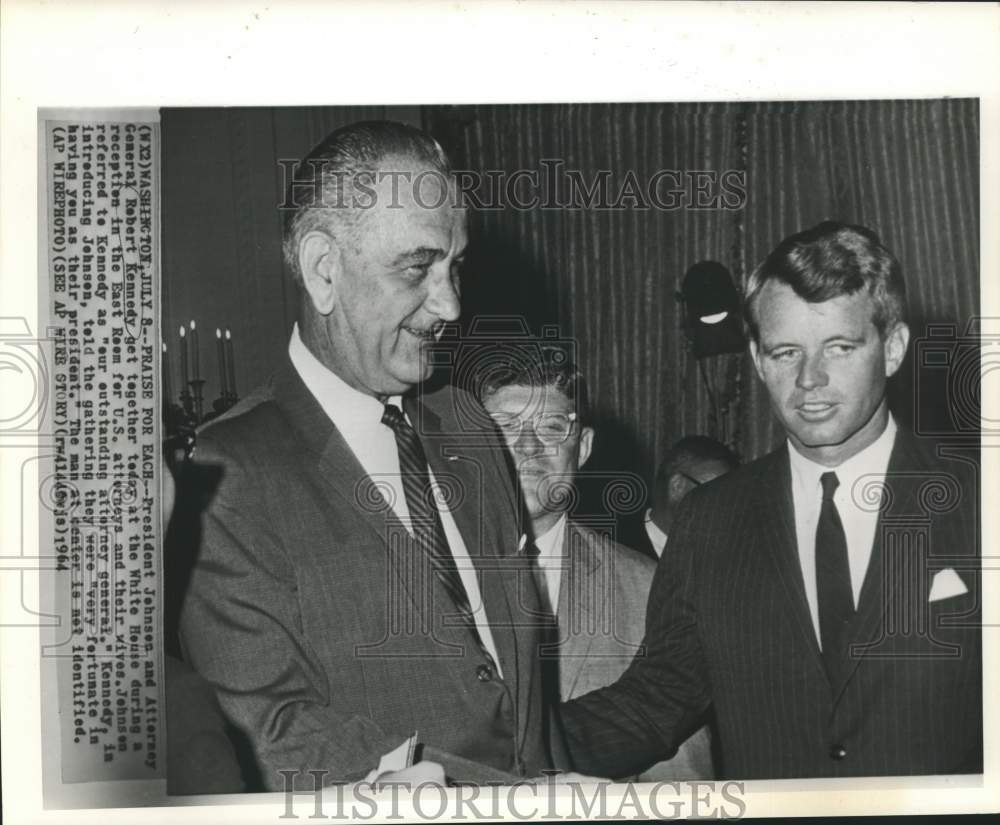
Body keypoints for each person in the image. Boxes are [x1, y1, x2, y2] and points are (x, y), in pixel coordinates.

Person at [177, 121, 550, 790]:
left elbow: (518, 696)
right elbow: (278, 734)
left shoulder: (467, 425)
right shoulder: (226, 473)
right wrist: (525, 799)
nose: (451, 305)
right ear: (325, 269)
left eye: (456, 265)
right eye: (418, 266)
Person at [559, 221, 982, 779]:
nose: (810, 379)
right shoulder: (711, 521)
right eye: (786, 353)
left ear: (894, 347)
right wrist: (487, 749)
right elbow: (653, 703)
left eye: (839, 347)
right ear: (758, 360)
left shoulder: (978, 504)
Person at [478, 344, 713, 780]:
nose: (529, 447)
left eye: (551, 427)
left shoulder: (649, 588)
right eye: (505, 427)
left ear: (582, 448)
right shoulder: (425, 582)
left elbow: (682, 780)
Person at [642, 436, 740, 558]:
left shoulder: (723, 559)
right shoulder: (619, 549)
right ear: (677, 486)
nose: (724, 511)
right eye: (716, 495)